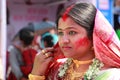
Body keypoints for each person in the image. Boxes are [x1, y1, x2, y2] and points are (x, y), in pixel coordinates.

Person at [28, 2, 120, 80]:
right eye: (60, 33)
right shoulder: (56, 69)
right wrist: (36, 74)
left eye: (72, 32)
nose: (64, 40)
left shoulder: (111, 76)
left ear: (93, 36)